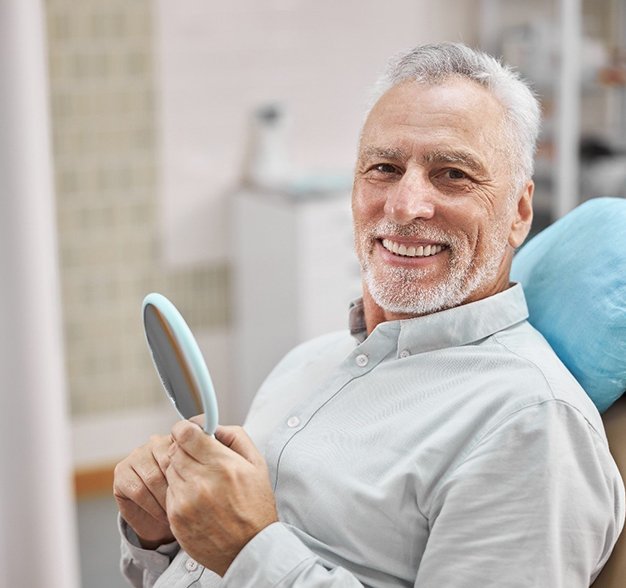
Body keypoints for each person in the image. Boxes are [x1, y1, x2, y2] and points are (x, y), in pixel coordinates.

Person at [113, 42, 625, 587]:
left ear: (520, 211)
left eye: (452, 174)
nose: (404, 206)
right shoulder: (306, 363)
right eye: (383, 168)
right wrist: (162, 538)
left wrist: (251, 550)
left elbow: (243, 557)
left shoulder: (530, 424)